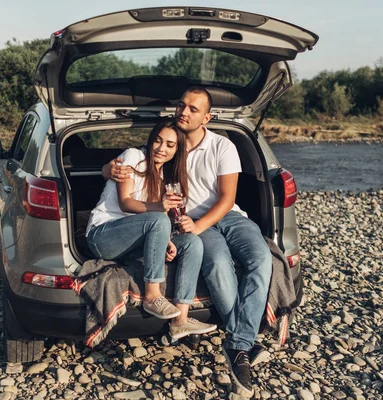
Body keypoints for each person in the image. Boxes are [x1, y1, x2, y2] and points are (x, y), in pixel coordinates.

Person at [106, 88, 272, 397]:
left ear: (206, 117)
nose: (184, 112)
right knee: (220, 266)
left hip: (226, 217)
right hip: (189, 223)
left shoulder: (222, 146)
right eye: (182, 105)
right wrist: (108, 169)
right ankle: (242, 347)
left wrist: (197, 225)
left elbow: (227, 199)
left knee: (261, 259)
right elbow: (132, 165)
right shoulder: (168, 147)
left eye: (193, 109)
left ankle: (239, 341)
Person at [86, 120, 216, 340]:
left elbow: (156, 223)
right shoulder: (133, 157)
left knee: (192, 242)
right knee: (158, 219)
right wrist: (160, 207)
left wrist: (166, 243)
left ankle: (180, 319)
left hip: (132, 241)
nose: (161, 148)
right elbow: (126, 202)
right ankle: (152, 296)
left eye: (170, 145)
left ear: (177, 150)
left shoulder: (166, 177)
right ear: (150, 139)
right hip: (103, 236)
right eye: (158, 140)